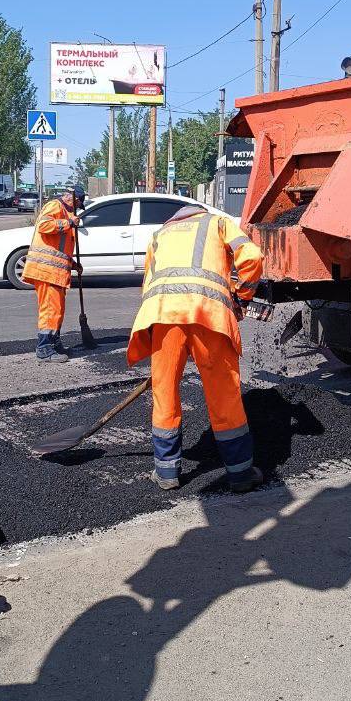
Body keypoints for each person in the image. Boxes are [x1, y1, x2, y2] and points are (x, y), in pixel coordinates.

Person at [127, 202, 264, 493]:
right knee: (223, 392)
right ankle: (240, 474)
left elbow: (148, 284)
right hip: (208, 316)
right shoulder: (218, 223)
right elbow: (252, 257)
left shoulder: (159, 235)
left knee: (164, 393)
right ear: (200, 212)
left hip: (163, 317)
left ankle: (166, 472)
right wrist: (243, 297)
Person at [22, 184, 85, 362]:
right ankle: (44, 348)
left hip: (55, 272)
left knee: (57, 309)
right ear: (74, 199)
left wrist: (72, 264)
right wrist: (69, 223)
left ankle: (54, 342)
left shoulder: (65, 212)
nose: (76, 208)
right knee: (50, 309)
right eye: (77, 204)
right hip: (46, 271)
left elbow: (58, 247)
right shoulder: (55, 206)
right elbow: (44, 226)